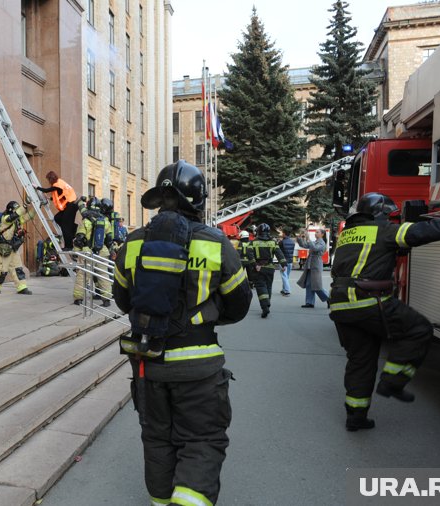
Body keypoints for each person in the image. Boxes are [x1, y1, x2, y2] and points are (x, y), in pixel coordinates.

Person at [112, 160, 252, 506]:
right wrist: (206, 317)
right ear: (199, 199)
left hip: (148, 362)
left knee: (157, 439)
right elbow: (239, 304)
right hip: (199, 366)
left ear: (160, 198)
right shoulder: (216, 243)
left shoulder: (132, 244)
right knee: (202, 440)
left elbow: (122, 300)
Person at [330, 192, 440, 432]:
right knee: (419, 329)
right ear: (380, 212)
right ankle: (392, 382)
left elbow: (368, 256)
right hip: (368, 301)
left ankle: (355, 417)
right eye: (389, 215)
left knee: (361, 360)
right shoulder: (385, 231)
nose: (392, 219)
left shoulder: (348, 234)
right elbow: (430, 230)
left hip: (340, 305)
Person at [72, 197, 112, 306]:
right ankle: (106, 299)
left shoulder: (85, 221)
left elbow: (79, 239)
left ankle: (78, 299)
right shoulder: (105, 221)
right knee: (103, 275)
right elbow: (109, 240)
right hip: (102, 252)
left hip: (87, 252)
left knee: (82, 275)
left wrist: (76, 253)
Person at [0, 201, 36, 295]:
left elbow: (28, 216)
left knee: (18, 268)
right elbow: (14, 216)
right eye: (15, 210)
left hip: (12, 248)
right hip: (4, 248)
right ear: (11, 210)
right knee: (2, 270)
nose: (16, 212)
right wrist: (25, 206)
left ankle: (22, 287)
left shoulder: (16, 220)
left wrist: (36, 208)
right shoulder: (5, 219)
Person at [35, 171, 78, 250]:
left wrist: (36, 187)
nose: (48, 181)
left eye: (48, 179)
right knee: (57, 218)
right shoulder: (60, 183)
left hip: (71, 206)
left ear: (50, 179)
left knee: (65, 227)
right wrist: (49, 198)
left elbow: (46, 190)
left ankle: (69, 246)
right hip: (71, 205)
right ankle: (73, 229)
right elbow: (61, 196)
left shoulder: (57, 185)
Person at [251, 223, 287, 318]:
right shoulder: (273, 242)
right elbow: (279, 254)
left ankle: (265, 306)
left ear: (258, 231)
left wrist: (255, 265)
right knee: (268, 287)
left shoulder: (254, 242)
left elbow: (250, 255)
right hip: (270, 268)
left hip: (259, 268)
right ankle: (267, 303)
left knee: (261, 286)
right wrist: (283, 264)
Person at [297, 228, 330, 308]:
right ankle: (309, 302)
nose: (315, 233)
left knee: (317, 285)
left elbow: (315, 248)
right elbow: (304, 245)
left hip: (316, 265)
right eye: (315, 232)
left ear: (322, 234)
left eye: (317, 232)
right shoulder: (315, 241)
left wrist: (308, 239)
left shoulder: (322, 243)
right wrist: (300, 237)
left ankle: (329, 298)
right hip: (310, 265)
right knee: (309, 284)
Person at [278, 229, 295, 296]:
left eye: (282, 233)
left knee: (284, 276)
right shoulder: (292, 242)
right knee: (286, 276)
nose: (282, 234)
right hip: (290, 261)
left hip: (283, 262)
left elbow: (278, 252)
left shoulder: (281, 242)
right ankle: (284, 289)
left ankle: (287, 291)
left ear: (284, 234)